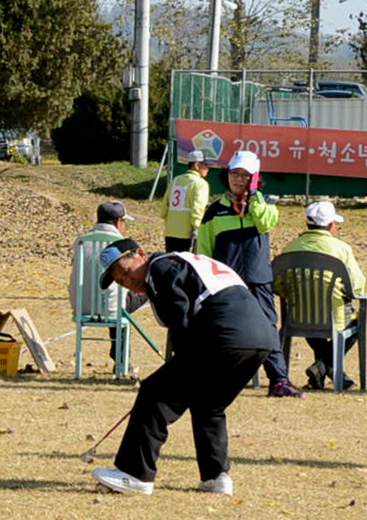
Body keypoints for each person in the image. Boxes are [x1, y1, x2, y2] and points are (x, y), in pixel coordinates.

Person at [91, 239, 277, 497]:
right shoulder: (186, 262)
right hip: (261, 340)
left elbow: (180, 319)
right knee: (208, 402)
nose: (127, 281)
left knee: (154, 393)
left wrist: (177, 365)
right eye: (119, 280)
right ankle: (217, 477)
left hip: (223, 335)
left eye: (126, 271)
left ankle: (135, 474)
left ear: (141, 254)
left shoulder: (160, 267)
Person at [197, 150, 299, 398]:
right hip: (226, 283)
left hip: (258, 279)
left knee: (267, 327)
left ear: (255, 178)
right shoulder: (214, 211)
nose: (238, 180)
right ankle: (220, 377)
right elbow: (204, 250)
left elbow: (266, 223)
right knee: (223, 329)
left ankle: (279, 380)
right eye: (234, 174)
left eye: (245, 175)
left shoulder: (265, 206)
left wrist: (253, 197)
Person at [280, 200, 367, 390]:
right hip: (335, 316)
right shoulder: (341, 249)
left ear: (307, 223)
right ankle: (322, 367)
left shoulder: (291, 247)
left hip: (297, 316)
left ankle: (321, 369)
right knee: (357, 319)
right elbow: (357, 287)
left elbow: (278, 285)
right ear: (330, 226)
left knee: (310, 316)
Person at [70, 200, 140, 373]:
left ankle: (119, 357)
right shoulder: (123, 244)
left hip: (82, 305)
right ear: (119, 222)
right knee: (134, 295)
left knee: (113, 295)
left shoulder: (81, 241)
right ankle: (122, 361)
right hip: (111, 307)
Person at [163, 149, 211, 252]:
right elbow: (197, 210)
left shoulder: (175, 180)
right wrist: (198, 229)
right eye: (205, 165)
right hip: (187, 234)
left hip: (170, 231)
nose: (208, 168)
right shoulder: (200, 184)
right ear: (197, 165)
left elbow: (164, 208)